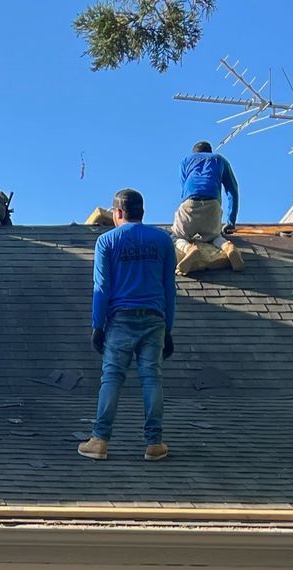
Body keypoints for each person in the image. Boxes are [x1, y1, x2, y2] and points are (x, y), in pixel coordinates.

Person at [80, 189, 175, 462]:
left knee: (111, 377)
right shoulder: (163, 240)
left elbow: (102, 288)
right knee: (151, 378)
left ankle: (100, 440)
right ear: (142, 212)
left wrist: (97, 326)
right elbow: (170, 287)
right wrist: (169, 327)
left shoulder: (106, 241)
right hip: (155, 318)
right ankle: (154, 443)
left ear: (118, 212)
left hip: (120, 318)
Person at [174, 140, 239, 242]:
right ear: (210, 152)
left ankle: (188, 248)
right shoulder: (220, 159)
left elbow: (184, 190)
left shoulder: (186, 160)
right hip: (212, 206)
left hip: (190, 204)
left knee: (177, 237)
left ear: (194, 153)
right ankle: (226, 246)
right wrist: (231, 222)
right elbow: (233, 191)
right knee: (216, 239)